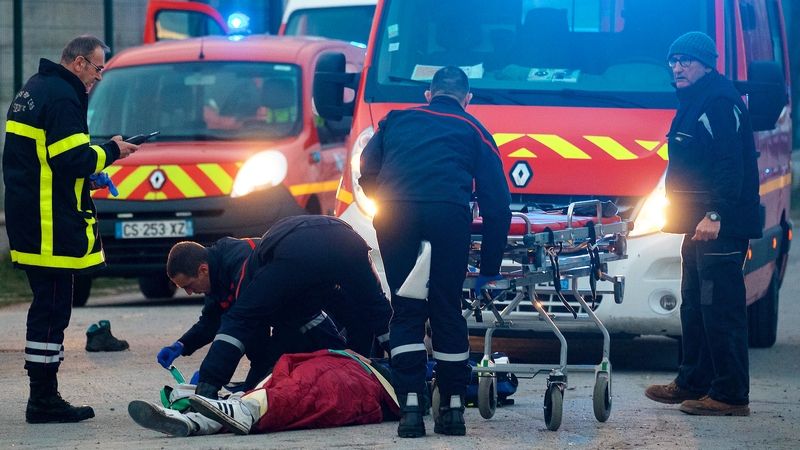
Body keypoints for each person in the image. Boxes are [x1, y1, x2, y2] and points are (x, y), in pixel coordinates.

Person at [359, 66, 511, 437]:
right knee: (446, 308)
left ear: (428, 94)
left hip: (395, 214)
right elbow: (497, 205)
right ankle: (454, 410)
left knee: (406, 308)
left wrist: (390, 198)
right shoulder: (474, 129)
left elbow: (366, 169)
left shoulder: (395, 120)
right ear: (467, 99)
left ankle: (411, 408)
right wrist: (489, 267)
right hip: (448, 216)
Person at [2, 35, 138, 424]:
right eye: (97, 69)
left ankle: (44, 394)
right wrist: (112, 151)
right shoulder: (63, 97)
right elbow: (72, 158)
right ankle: (43, 399)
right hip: (50, 223)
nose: (97, 78)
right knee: (51, 310)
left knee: (49, 306)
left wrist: (88, 177)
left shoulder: (35, 87)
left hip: (34, 214)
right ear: (78, 63)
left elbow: (47, 160)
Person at [644, 31, 761, 417]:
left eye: (685, 61)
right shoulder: (695, 99)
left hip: (718, 226)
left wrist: (715, 214)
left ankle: (730, 395)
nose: (676, 67)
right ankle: (693, 381)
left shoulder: (719, 101)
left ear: (707, 64)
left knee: (721, 309)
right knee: (695, 306)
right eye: (673, 60)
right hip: (697, 225)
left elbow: (730, 166)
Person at [166, 215, 393, 399]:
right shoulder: (219, 272)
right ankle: (410, 379)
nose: (188, 292)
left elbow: (244, 328)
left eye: (188, 285)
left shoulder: (242, 268)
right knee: (378, 312)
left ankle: (375, 375)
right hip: (348, 240)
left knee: (249, 325)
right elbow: (213, 317)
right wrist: (183, 344)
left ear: (203, 270)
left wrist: (210, 385)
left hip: (298, 254)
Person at [128, 349, 399, 437]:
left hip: (367, 379)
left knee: (307, 391)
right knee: (281, 385)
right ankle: (200, 420)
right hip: (340, 361)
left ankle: (240, 411)